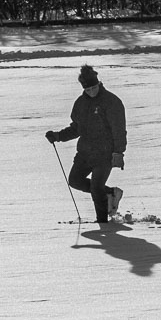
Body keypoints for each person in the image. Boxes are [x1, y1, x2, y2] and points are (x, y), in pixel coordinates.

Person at [46, 64, 127, 227]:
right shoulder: (81, 103)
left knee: (96, 188)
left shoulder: (111, 102)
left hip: (105, 154)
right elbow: (76, 128)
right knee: (74, 180)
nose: (91, 91)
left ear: (99, 83)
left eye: (94, 88)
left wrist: (118, 152)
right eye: (88, 89)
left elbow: (119, 129)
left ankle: (103, 224)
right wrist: (58, 136)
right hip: (85, 153)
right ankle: (110, 193)